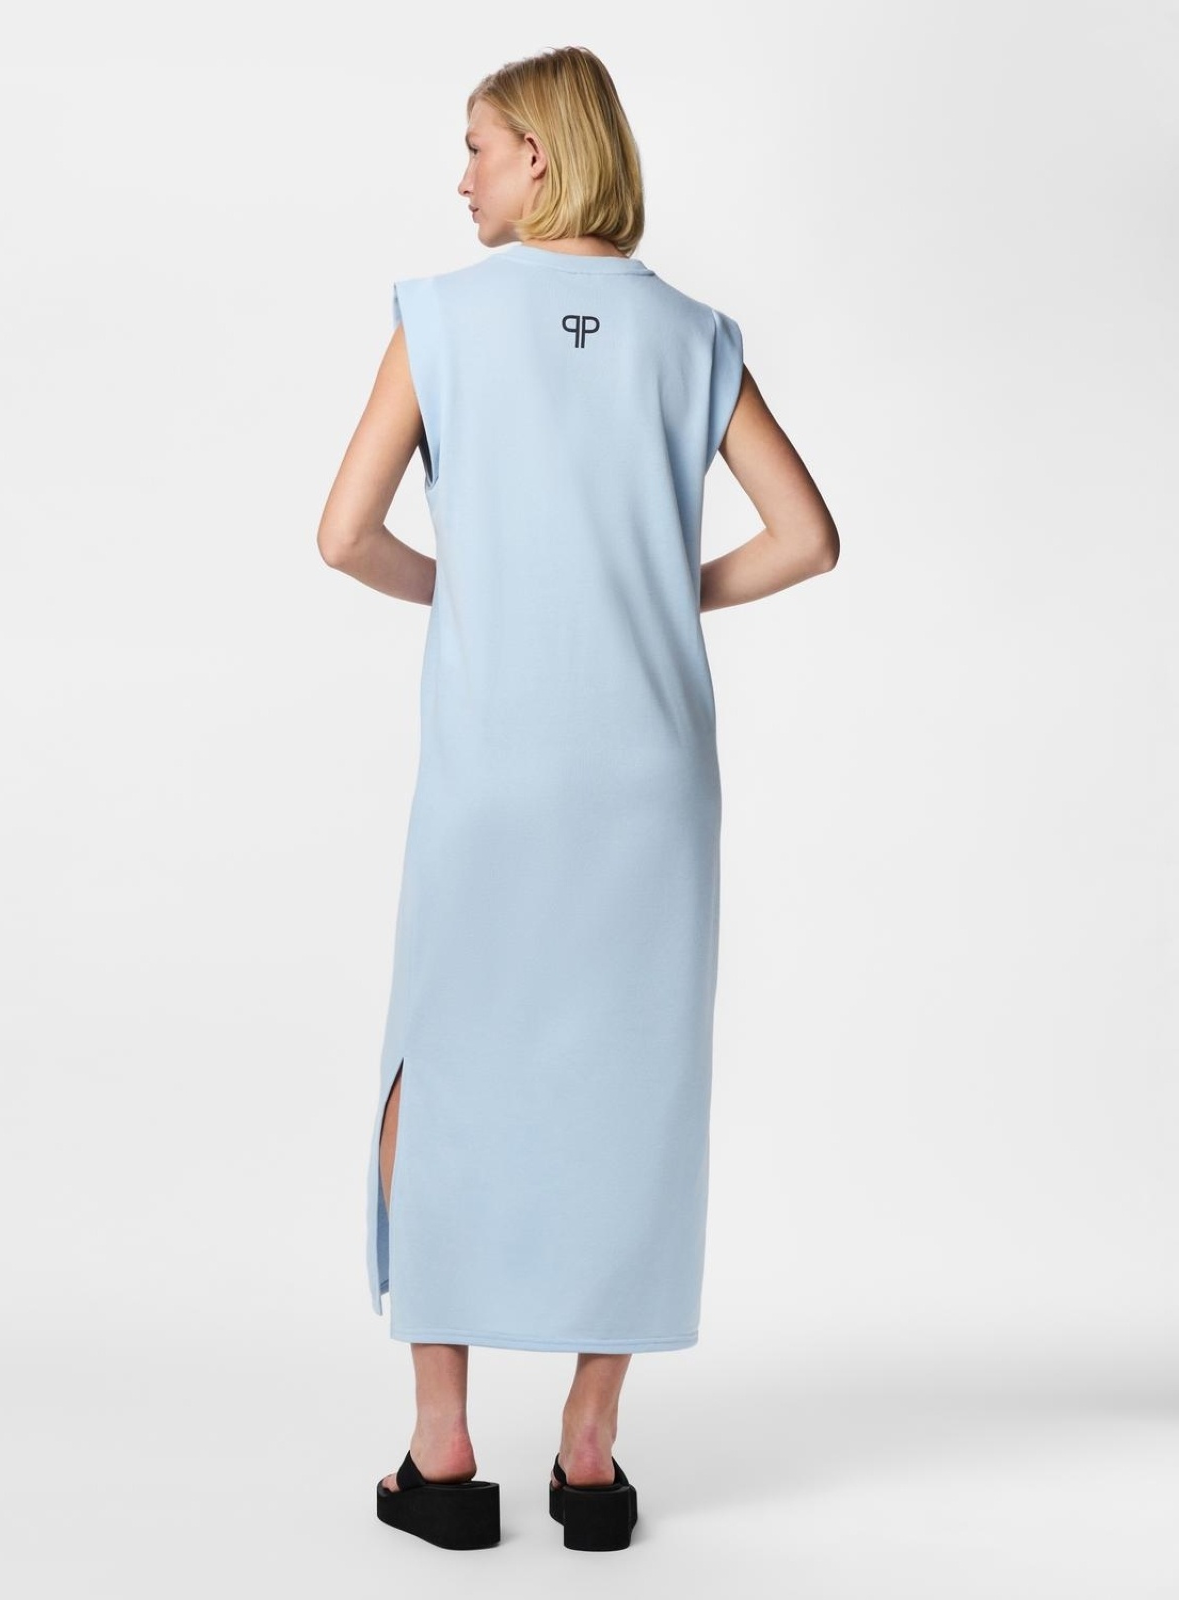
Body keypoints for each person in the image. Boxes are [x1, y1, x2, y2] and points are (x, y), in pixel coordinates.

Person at [317, 45, 839, 1552]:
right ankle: (592, 1459)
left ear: (539, 156)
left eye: (477, 146)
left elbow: (344, 535)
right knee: (635, 1081)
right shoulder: (694, 335)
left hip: (497, 763)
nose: (461, 175)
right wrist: (654, 598)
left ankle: (442, 1452)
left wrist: (473, 593)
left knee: (437, 1068)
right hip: (649, 771)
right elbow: (806, 537)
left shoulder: (438, 319)